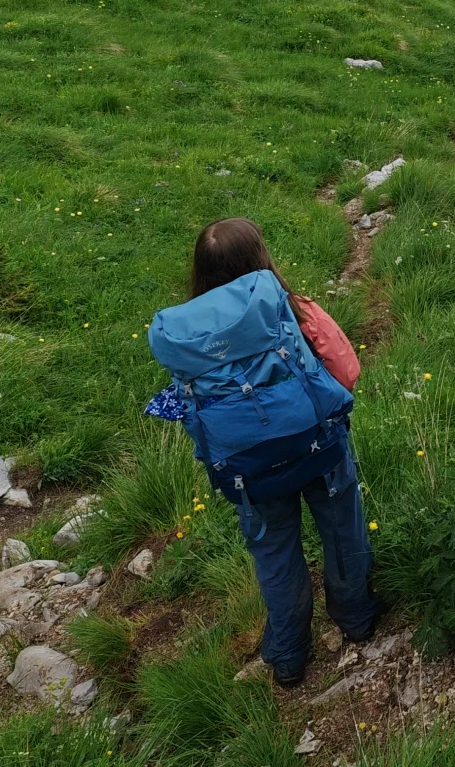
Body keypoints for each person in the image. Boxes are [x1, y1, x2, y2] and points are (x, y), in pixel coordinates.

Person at [146, 218, 384, 686]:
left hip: (247, 467)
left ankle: (290, 654)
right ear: (261, 258)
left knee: (275, 552)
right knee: (341, 529)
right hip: (318, 444)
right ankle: (357, 618)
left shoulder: (187, 340)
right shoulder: (294, 309)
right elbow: (347, 370)